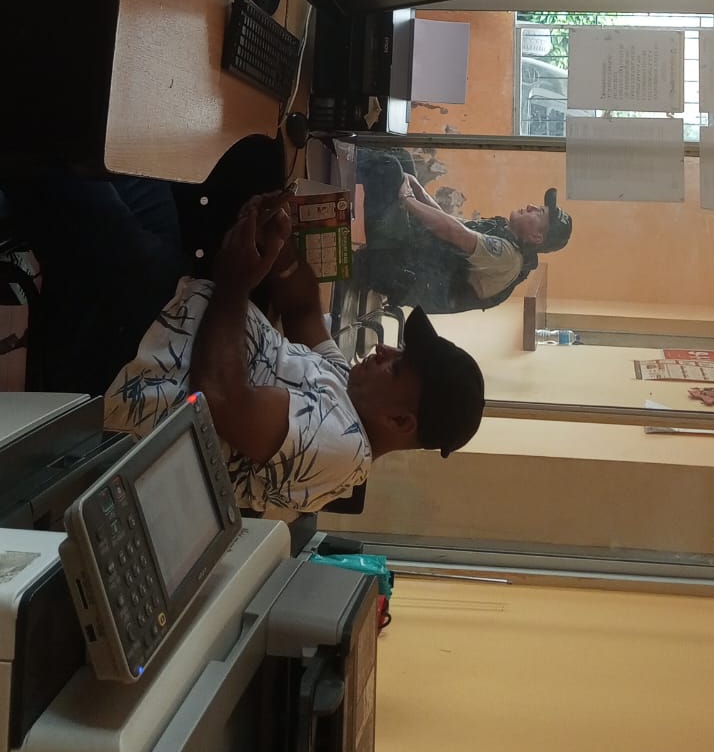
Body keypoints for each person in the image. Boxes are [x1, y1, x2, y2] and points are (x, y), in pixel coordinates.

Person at [1, 155, 485, 520]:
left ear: (400, 420)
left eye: (397, 365)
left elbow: (218, 399)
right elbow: (302, 311)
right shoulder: (350, 391)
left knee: (60, 164)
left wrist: (236, 280)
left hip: (130, 352)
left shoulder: (341, 450)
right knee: (130, 159)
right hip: (173, 297)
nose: (382, 350)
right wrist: (278, 244)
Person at [358, 150, 573, 315]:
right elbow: (448, 220)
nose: (531, 206)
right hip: (406, 253)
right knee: (403, 159)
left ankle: (340, 155)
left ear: (536, 237)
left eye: (539, 213)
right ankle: (343, 158)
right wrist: (418, 190)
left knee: (389, 167)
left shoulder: (509, 258)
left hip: (393, 270)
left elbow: (454, 232)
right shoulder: (503, 231)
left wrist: (407, 199)